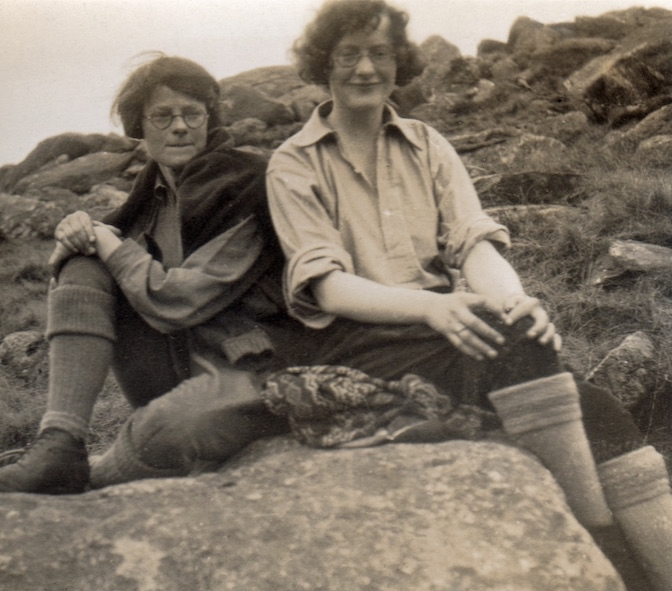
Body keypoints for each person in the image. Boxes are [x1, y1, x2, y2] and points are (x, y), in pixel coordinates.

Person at [264, 1, 672, 589]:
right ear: (323, 63)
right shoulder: (293, 163)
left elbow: (473, 243)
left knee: (584, 393)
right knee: (521, 351)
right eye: (348, 54)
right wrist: (435, 306)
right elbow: (327, 286)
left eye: (379, 53)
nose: (365, 68)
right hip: (360, 342)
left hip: (443, 330)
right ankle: (602, 554)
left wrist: (515, 300)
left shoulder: (426, 144)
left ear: (398, 62)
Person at [0, 54, 295, 495]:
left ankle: (93, 476)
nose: (179, 126)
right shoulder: (147, 198)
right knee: (86, 261)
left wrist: (106, 240)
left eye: (192, 113)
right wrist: (79, 238)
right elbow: (82, 276)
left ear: (209, 118)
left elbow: (179, 299)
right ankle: (60, 443)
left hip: (254, 371)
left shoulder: (248, 185)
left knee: (168, 427)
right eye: (162, 116)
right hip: (185, 362)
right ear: (139, 126)